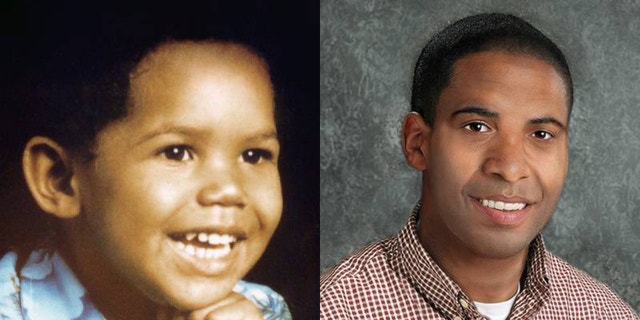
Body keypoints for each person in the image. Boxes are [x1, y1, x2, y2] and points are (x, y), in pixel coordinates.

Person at [320, 12, 638, 319]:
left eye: (541, 134)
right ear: (417, 142)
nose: (510, 168)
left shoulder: (605, 312)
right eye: (477, 127)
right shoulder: (334, 308)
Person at [0, 16, 292, 320]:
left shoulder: (262, 310)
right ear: (59, 179)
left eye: (254, 155)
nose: (230, 189)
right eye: (177, 153)